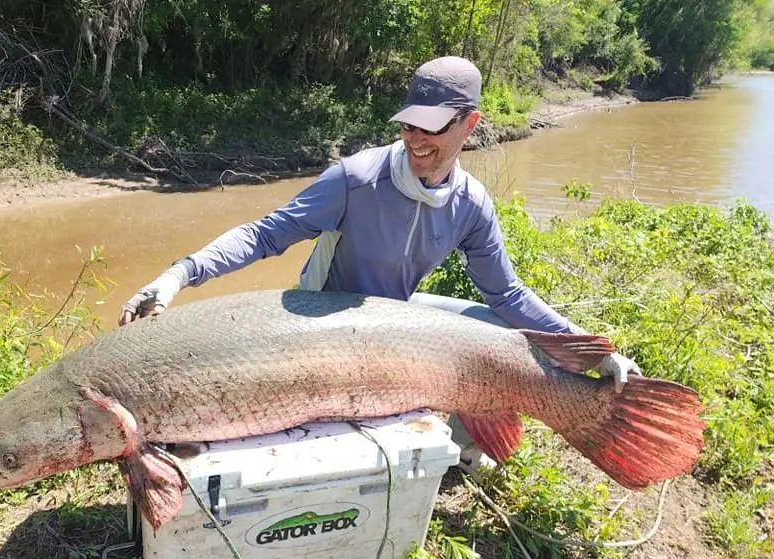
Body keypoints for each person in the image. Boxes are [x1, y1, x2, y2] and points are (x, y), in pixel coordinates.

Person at [118, 56, 640, 470]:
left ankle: (458, 452)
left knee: (499, 331)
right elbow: (263, 235)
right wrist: (178, 275)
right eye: (410, 124)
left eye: (432, 128)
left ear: (470, 124)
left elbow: (507, 294)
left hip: (394, 315)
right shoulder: (356, 179)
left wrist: (592, 351)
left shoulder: (470, 204)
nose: (416, 139)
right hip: (319, 319)